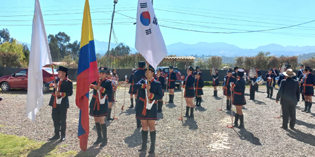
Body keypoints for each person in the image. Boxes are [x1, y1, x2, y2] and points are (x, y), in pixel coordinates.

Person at [136, 65, 163, 154]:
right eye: (146, 72)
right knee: (144, 126)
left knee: (151, 126)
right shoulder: (142, 81)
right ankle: (144, 145)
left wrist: (152, 95)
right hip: (142, 107)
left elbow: (160, 96)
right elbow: (136, 85)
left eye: (148, 72)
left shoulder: (157, 83)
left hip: (151, 107)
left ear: (152, 73)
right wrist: (144, 86)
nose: (146, 73)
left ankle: (152, 147)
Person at [47, 66, 73, 141]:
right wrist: (53, 85)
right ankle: (56, 134)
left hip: (63, 103)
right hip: (55, 102)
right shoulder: (56, 80)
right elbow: (47, 84)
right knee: (55, 118)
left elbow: (70, 93)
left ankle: (63, 135)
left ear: (64, 73)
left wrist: (61, 94)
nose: (58, 73)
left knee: (63, 119)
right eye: (58, 72)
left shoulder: (68, 82)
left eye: (59, 72)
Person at [89, 67, 112, 146]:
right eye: (100, 73)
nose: (101, 75)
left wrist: (102, 89)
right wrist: (93, 86)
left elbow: (110, 92)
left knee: (101, 119)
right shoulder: (96, 80)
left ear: (106, 74)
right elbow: (89, 84)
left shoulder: (108, 82)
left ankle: (105, 139)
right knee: (96, 119)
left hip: (102, 102)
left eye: (103, 73)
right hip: (94, 101)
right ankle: (99, 137)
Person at [134, 61, 146, 128]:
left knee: (137, 106)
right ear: (144, 66)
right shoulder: (145, 72)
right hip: (144, 90)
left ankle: (138, 123)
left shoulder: (135, 72)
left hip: (137, 89)